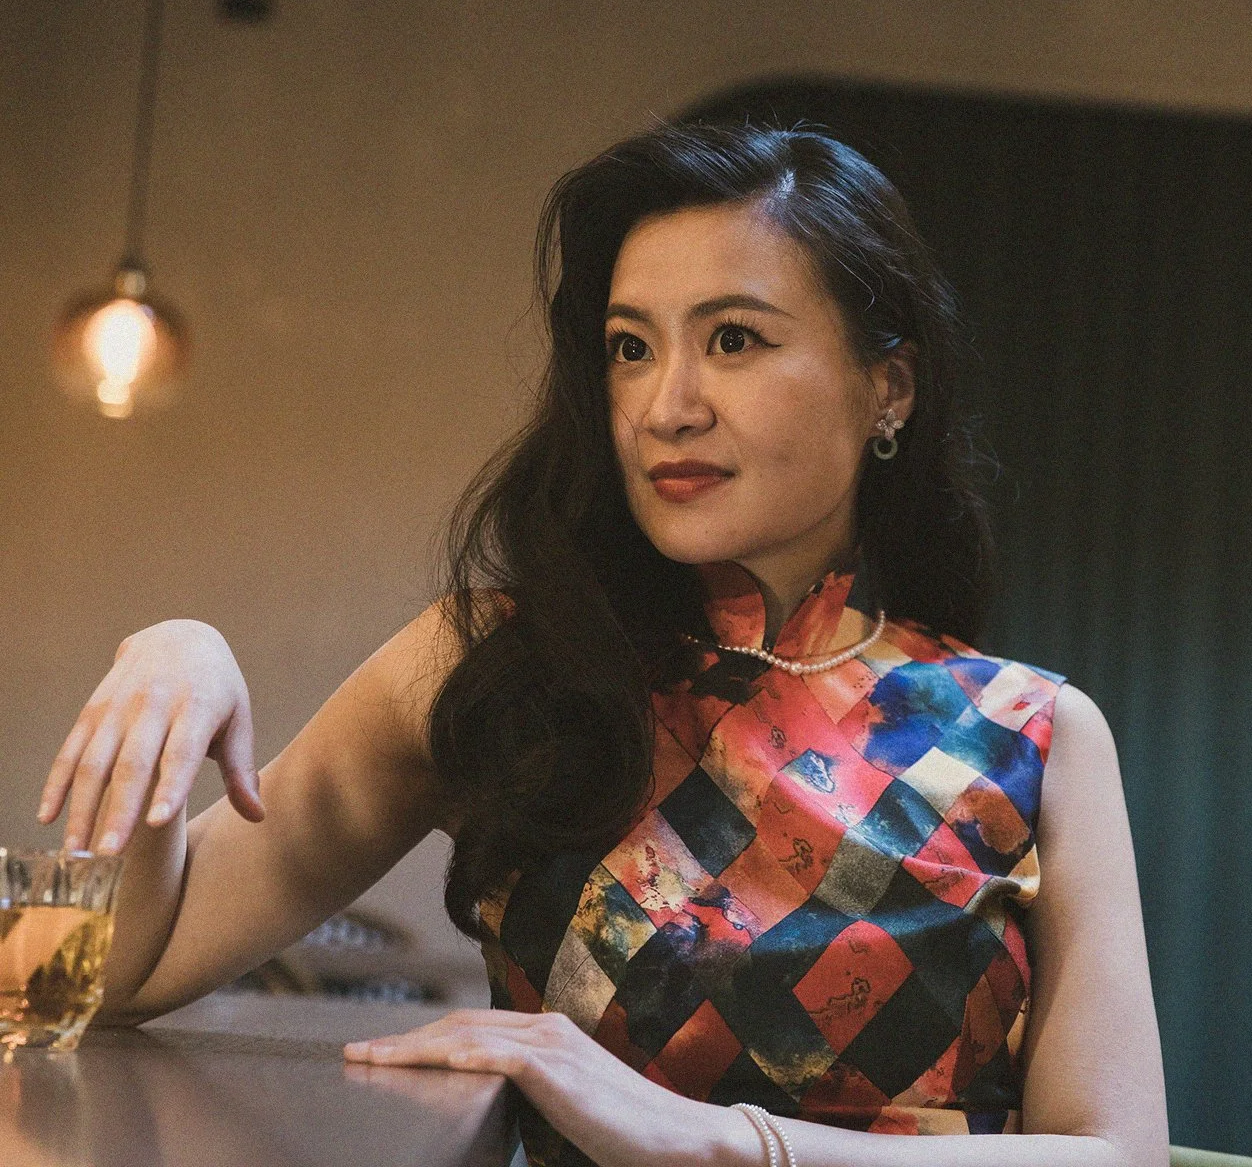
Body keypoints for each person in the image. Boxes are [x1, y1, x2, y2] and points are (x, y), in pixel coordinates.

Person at [38, 122, 1168, 1167]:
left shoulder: (1033, 734)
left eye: (733, 339)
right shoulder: (500, 668)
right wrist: (181, 664)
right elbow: (113, 978)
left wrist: (717, 1143)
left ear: (889, 389)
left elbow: (1118, 1154)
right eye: (630, 348)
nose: (665, 404)